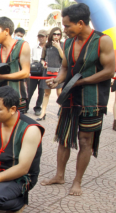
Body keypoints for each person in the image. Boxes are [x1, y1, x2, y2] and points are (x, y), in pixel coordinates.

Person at [41, 3, 115, 195]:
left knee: (84, 141)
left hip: (92, 101)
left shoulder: (103, 41)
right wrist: (57, 80)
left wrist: (82, 82)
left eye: (67, 26)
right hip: (70, 98)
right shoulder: (68, 43)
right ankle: (59, 175)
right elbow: (65, 67)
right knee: (64, 139)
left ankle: (77, 181)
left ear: (80, 23)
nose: (64, 30)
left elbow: (109, 70)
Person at [0, 86, 44, 213]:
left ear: (13, 109)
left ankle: (19, 203)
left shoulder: (30, 129)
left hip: (20, 177)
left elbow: (23, 168)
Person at [37, 27, 65, 121]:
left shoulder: (62, 44)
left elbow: (64, 58)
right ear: (51, 35)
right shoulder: (47, 46)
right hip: (47, 71)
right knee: (46, 93)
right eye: (55, 34)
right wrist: (43, 63)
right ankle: (42, 113)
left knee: (59, 92)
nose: (56, 36)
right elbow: (42, 59)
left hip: (59, 71)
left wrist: (58, 47)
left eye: (58, 34)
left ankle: (61, 111)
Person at [27, 29, 47, 116]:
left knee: (42, 91)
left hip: (45, 71)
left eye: (43, 36)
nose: (41, 38)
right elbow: (29, 59)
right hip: (35, 70)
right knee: (30, 90)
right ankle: (25, 106)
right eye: (39, 36)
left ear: (46, 37)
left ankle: (38, 108)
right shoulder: (34, 47)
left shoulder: (49, 48)